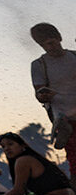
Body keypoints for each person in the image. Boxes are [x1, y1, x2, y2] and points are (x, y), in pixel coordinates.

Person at [30, 22, 76, 181]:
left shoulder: (74, 56)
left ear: (59, 38)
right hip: (66, 120)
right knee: (74, 161)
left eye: (51, 43)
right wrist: (43, 96)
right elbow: (39, 92)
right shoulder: (39, 65)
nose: (49, 48)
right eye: (44, 45)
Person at [0, 132, 76, 195]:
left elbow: (18, 191)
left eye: (10, 144)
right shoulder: (37, 159)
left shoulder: (23, 160)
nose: (6, 149)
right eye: (3, 147)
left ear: (23, 145)